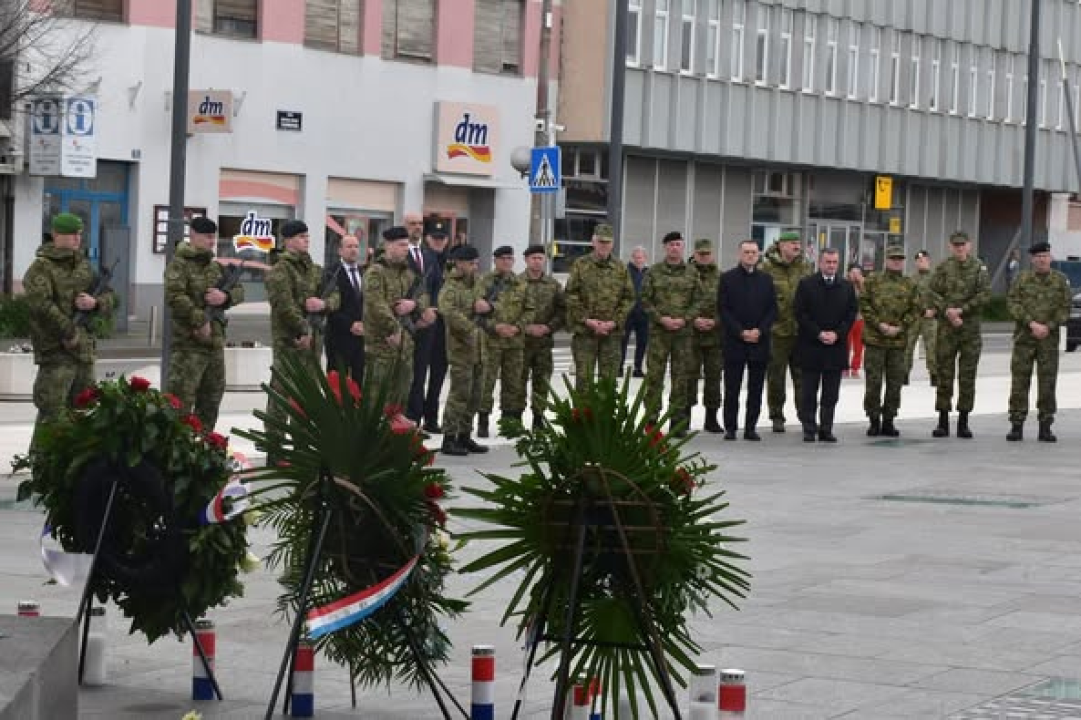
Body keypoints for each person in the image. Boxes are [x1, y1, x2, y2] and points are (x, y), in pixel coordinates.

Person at [24, 213, 116, 447]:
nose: (77, 238)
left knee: (84, 415)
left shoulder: (84, 266)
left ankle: (74, 474)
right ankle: (41, 470)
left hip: (83, 353)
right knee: (52, 415)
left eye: (79, 234)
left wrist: (95, 304)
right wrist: (68, 331)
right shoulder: (41, 268)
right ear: (56, 235)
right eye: (71, 233)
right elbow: (40, 305)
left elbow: (110, 297)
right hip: (56, 353)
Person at [264, 220, 340, 457]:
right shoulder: (280, 270)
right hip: (290, 344)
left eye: (307, 236)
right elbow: (284, 306)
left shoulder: (315, 269)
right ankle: (274, 449)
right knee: (281, 397)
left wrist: (324, 304)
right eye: (300, 237)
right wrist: (303, 329)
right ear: (287, 240)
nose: (306, 240)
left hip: (312, 347)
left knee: (307, 397)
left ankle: (301, 447)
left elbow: (336, 295)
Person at [164, 216, 245, 432]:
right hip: (188, 347)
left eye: (214, 237)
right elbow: (174, 296)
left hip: (214, 346)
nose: (212, 241)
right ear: (193, 236)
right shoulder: (179, 264)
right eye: (207, 237)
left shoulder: (215, 267)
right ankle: (175, 456)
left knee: (210, 402)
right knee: (179, 406)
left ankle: (202, 450)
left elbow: (239, 290)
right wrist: (200, 319)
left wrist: (224, 297)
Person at [1006, 241, 1072, 442]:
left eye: (1045, 255)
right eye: (1038, 256)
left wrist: (1049, 326)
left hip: (1048, 341)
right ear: (1032, 259)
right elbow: (1012, 303)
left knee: (1047, 383)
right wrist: (1031, 323)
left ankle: (1045, 426)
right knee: (1019, 382)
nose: (1042, 259)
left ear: (1050, 258)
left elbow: (1065, 308)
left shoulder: (1060, 280)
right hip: (1024, 339)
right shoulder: (1022, 279)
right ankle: (1016, 425)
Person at [363, 226, 434, 414]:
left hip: (405, 345)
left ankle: (394, 439)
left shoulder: (408, 273)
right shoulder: (375, 272)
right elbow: (375, 304)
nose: (405, 249)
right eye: (401, 245)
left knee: (401, 397)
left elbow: (424, 295)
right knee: (377, 399)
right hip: (382, 345)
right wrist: (393, 328)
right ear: (388, 245)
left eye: (407, 245)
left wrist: (413, 305)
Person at [928, 230, 991, 439]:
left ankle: (963, 421)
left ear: (969, 245)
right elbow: (932, 292)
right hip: (947, 329)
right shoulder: (944, 267)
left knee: (967, 376)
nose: (959, 248)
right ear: (950, 246)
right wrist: (947, 310)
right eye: (956, 245)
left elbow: (985, 295)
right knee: (944, 374)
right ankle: (943, 421)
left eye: (962, 244)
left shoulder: (979, 268)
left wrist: (962, 310)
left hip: (969, 329)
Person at [640, 231, 701, 435]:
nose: (675, 248)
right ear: (665, 247)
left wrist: (685, 319)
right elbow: (645, 300)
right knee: (654, 377)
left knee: (681, 377)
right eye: (671, 244)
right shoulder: (654, 272)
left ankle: (677, 420)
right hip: (659, 333)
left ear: (683, 247)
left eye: (678, 244)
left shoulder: (692, 272)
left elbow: (698, 301)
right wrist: (661, 318)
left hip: (683, 334)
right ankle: (651, 419)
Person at [794, 248, 857, 443]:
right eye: (828, 262)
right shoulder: (806, 284)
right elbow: (800, 313)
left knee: (831, 393)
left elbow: (851, 314)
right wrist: (818, 333)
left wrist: (837, 334)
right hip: (811, 345)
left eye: (834, 262)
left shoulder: (846, 286)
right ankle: (809, 428)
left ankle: (826, 429)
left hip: (835, 347)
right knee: (808, 392)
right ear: (820, 263)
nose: (831, 266)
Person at [718, 239, 777, 441]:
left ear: (758, 254)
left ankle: (750, 427)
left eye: (753, 252)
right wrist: (741, 332)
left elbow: (772, 309)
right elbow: (723, 309)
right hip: (735, 342)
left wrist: (760, 330)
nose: (750, 255)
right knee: (732, 388)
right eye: (746, 252)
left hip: (759, 342)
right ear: (739, 254)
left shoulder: (766, 280)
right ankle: (731, 428)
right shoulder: (727, 278)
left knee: (756, 388)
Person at [565, 223, 635, 391]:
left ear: (612, 244)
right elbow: (570, 294)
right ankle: (582, 417)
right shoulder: (580, 265)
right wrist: (587, 320)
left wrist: (614, 322)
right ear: (593, 242)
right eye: (601, 241)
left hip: (612, 335)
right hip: (585, 334)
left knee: (609, 383)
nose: (604, 246)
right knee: (584, 382)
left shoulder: (620, 267)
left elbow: (629, 297)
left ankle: (606, 417)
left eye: (607, 242)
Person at [859, 244, 918, 437]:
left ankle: (889, 420)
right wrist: (879, 325)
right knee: (873, 383)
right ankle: (874, 420)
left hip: (898, 342)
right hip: (876, 340)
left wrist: (901, 326)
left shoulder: (910, 284)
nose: (896, 261)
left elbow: (915, 309)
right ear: (886, 260)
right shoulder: (873, 280)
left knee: (895, 384)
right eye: (893, 258)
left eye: (900, 259)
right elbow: (864, 304)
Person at [438, 244, 489, 456]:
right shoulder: (450, 287)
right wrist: (470, 326)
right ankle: (449, 438)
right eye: (471, 263)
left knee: (476, 395)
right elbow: (448, 312)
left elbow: (490, 304)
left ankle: (465, 435)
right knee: (460, 394)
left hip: (480, 347)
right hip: (460, 348)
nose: (475, 267)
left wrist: (489, 308)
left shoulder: (478, 283)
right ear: (459, 263)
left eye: (476, 263)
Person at [761, 231, 813, 433]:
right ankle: (776, 415)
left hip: (801, 331)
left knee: (803, 376)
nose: (797, 246)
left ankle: (805, 416)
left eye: (798, 243)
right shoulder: (766, 268)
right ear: (781, 245)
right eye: (792, 243)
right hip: (776, 331)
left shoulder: (805, 267)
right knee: (776, 376)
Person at [476, 245, 528, 437]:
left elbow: (529, 310)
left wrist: (517, 327)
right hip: (491, 341)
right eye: (503, 258)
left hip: (514, 342)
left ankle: (508, 422)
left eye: (510, 258)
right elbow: (476, 311)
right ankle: (482, 420)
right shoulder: (483, 282)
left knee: (512, 382)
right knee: (486, 382)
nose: (507, 262)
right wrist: (495, 327)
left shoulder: (520, 283)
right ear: (495, 260)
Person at [520, 244, 565, 430]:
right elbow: (508, 311)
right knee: (517, 382)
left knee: (542, 381)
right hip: (521, 342)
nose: (537, 261)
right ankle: (514, 419)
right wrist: (526, 327)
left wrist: (548, 327)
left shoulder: (553, 285)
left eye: (540, 258)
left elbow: (562, 311)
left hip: (544, 342)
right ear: (526, 260)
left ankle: (538, 418)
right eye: (533, 258)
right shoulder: (516, 283)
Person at [687, 239, 723, 433]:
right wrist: (693, 319)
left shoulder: (720, 276)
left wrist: (715, 321)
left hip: (715, 337)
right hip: (690, 336)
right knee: (688, 377)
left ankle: (711, 418)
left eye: (707, 254)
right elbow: (680, 302)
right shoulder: (686, 273)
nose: (704, 257)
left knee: (714, 378)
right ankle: (685, 418)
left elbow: (727, 304)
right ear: (695, 254)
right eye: (701, 254)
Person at [405, 215, 437, 424]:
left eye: (420, 224)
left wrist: (432, 310)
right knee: (404, 374)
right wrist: (416, 315)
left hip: (428, 322)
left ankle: (416, 419)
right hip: (407, 323)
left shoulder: (429, 256)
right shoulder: (396, 255)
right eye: (413, 224)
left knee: (420, 372)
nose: (417, 228)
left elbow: (437, 286)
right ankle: (404, 419)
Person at [420, 230, 451, 434]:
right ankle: (416, 416)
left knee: (438, 373)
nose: (438, 241)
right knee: (419, 373)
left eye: (442, 238)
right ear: (427, 239)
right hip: (426, 321)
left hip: (443, 325)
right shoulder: (422, 258)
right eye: (434, 238)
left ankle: (431, 418)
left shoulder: (451, 260)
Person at [324, 234, 365, 381]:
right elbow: (328, 306)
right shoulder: (330, 273)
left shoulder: (365, 273)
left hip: (361, 339)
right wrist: (350, 324)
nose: (353, 250)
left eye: (356, 246)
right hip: (338, 337)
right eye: (349, 247)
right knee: (338, 384)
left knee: (359, 382)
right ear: (340, 251)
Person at [905, 250, 938, 386]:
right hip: (914, 317)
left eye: (923, 260)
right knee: (907, 346)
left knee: (932, 348)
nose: (921, 263)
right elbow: (908, 299)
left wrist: (935, 310)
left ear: (928, 261)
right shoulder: (911, 279)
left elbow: (942, 296)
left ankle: (934, 376)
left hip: (931, 318)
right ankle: (904, 375)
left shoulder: (936, 278)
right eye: (918, 261)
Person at [621, 246, 649, 377]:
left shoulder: (649, 273)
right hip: (628, 313)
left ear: (645, 258)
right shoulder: (625, 271)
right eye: (636, 257)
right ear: (632, 258)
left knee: (642, 342)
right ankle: (619, 367)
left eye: (641, 257)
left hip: (644, 314)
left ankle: (638, 368)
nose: (639, 260)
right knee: (622, 341)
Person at [845, 264, 865, 378]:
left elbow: (868, 296)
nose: (855, 275)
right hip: (848, 320)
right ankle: (844, 368)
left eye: (858, 273)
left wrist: (861, 282)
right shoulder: (844, 285)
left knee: (859, 346)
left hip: (860, 320)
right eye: (853, 273)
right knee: (846, 345)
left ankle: (855, 368)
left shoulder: (864, 285)